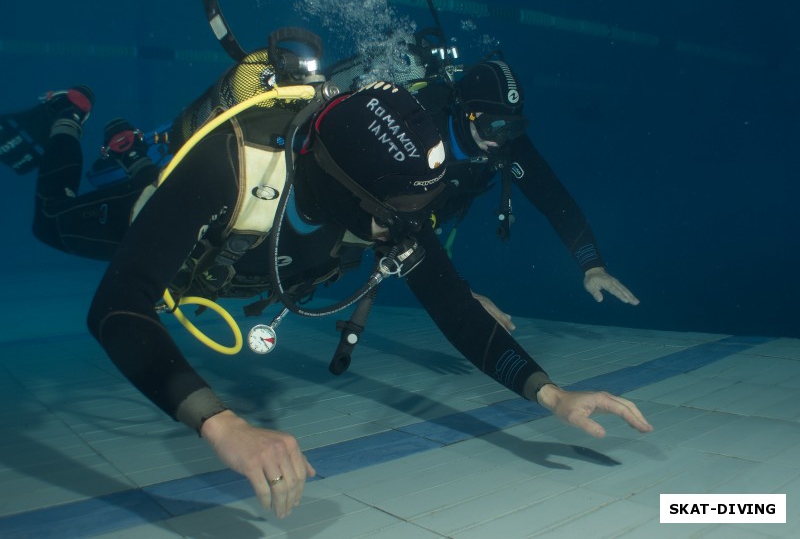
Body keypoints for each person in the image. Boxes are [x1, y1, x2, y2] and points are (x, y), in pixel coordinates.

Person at [2, 48, 652, 520]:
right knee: (51, 220)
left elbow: (454, 307)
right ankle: (67, 115)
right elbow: (118, 306)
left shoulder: (387, 212)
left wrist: (551, 394)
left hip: (253, 268)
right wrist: (223, 425)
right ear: (347, 189)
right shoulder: (227, 170)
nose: (412, 228)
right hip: (185, 234)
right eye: (401, 211)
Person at [411, 58, 640, 321]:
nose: (500, 141)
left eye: (512, 127)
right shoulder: (420, 129)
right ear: (466, 112)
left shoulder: (506, 142)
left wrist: (592, 266)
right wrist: (458, 291)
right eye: (492, 127)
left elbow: (555, 201)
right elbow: (402, 226)